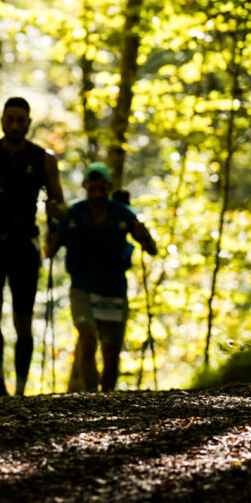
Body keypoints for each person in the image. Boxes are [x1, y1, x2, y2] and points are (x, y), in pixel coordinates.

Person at [0, 97, 65, 397]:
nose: (16, 125)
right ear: (3, 120)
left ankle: (20, 388)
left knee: (23, 318)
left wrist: (54, 218)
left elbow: (62, 205)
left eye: (21, 120)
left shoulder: (43, 158)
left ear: (29, 122)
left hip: (25, 244)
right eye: (10, 119)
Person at [49, 162, 157, 393]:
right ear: (85, 187)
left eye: (101, 189)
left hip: (114, 288)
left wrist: (144, 236)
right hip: (82, 287)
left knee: (110, 350)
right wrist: (52, 224)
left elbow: (152, 249)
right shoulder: (74, 214)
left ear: (108, 187)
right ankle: (91, 396)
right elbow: (49, 251)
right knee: (87, 337)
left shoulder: (122, 213)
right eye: (92, 189)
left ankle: (107, 398)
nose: (96, 195)